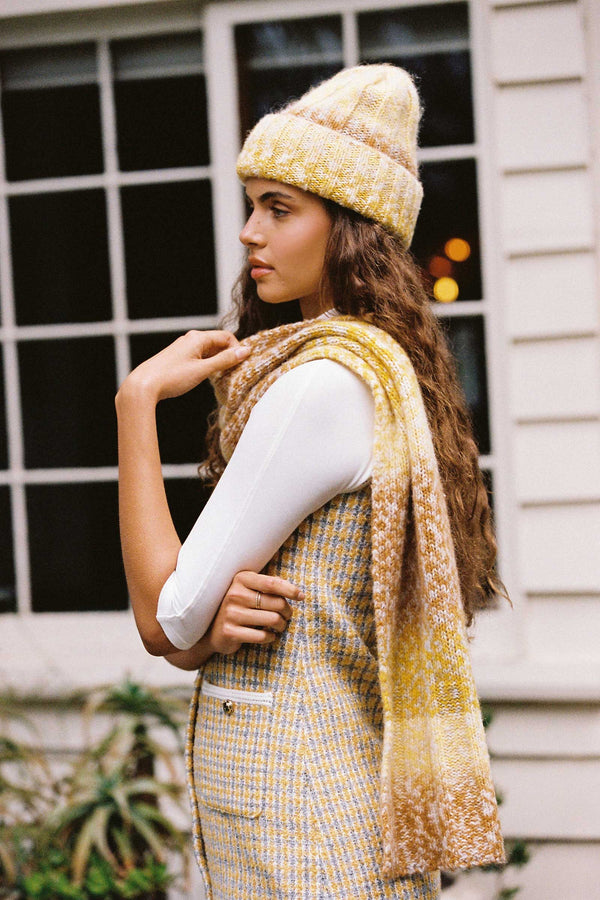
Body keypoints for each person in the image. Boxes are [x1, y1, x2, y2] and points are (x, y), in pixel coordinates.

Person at [116, 65, 505, 900]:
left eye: (279, 208)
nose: (251, 232)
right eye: (251, 204)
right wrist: (201, 630)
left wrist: (136, 401)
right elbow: (192, 622)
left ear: (350, 228)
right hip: (328, 773)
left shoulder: (320, 383)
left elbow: (164, 617)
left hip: (295, 794)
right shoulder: (384, 366)